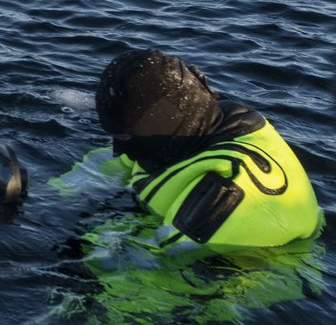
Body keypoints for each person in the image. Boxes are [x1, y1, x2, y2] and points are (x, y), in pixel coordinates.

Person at [90, 48, 321, 248]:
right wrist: (56, 198)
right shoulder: (181, 131)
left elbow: (160, 276)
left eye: (124, 135)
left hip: (240, 275)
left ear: (162, 120)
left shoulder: (230, 189)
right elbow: (111, 164)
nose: (118, 147)